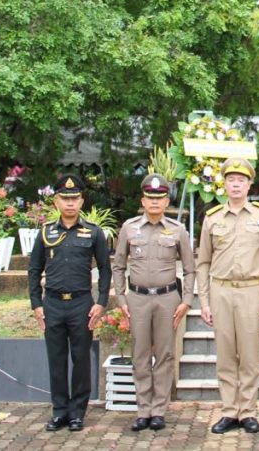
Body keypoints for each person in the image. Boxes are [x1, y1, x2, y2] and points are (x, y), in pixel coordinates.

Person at [196, 158, 259, 434]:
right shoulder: (212, 218)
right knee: (226, 354)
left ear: (249, 184)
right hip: (220, 290)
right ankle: (230, 410)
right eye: (231, 180)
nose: (236, 184)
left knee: (250, 356)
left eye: (241, 180)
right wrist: (204, 301)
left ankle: (248, 411)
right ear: (224, 183)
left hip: (252, 291)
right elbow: (203, 262)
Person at [111, 174, 196, 433]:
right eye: (150, 197)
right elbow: (118, 265)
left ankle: (159, 411)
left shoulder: (178, 230)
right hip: (137, 299)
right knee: (140, 355)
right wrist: (121, 297)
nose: (155, 202)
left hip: (167, 299)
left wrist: (187, 301)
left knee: (165, 355)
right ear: (143, 200)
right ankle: (143, 410)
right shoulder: (129, 228)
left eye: (159, 198)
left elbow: (190, 270)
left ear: (167, 201)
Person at [27, 174, 111, 433]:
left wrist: (101, 303)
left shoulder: (94, 233)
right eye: (65, 198)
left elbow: (106, 270)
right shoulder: (45, 233)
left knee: (81, 360)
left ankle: (77, 413)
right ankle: (59, 411)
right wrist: (36, 304)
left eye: (75, 198)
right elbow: (34, 269)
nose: (70, 203)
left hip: (81, 305)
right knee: (57, 360)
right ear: (56, 201)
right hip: (52, 303)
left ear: (82, 200)